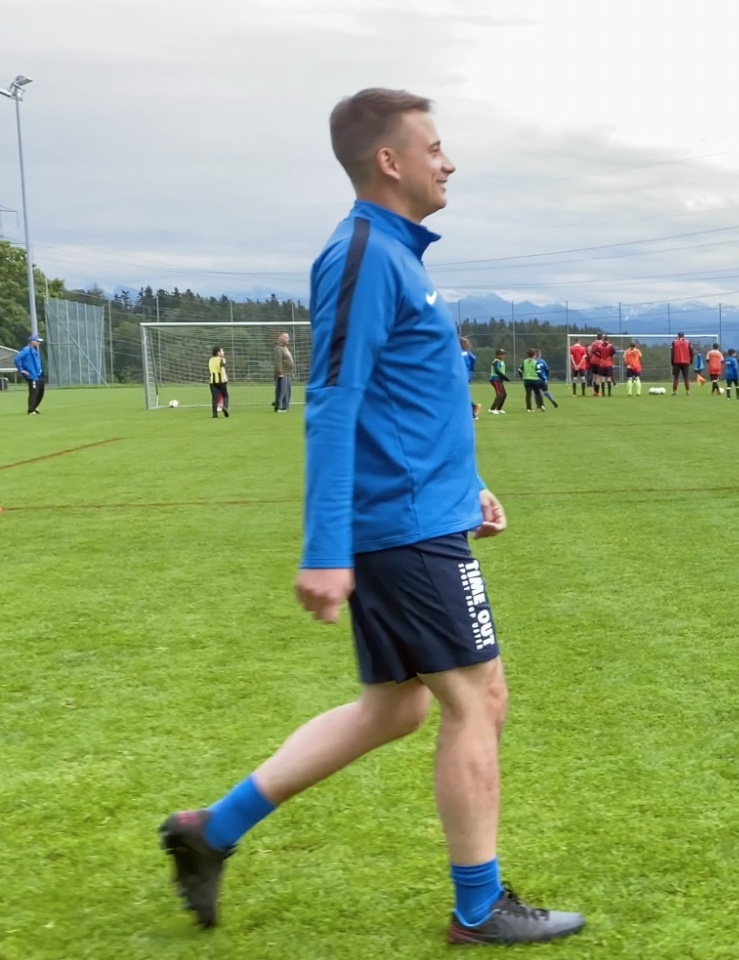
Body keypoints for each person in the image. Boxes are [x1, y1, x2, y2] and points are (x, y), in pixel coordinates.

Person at [156, 88, 583, 947]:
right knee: (478, 700)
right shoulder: (359, 253)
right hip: (402, 532)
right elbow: (334, 401)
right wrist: (325, 549)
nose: (448, 160)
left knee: (396, 709)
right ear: (389, 161)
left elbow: (407, 401)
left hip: (424, 514)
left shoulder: (397, 254)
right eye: (434, 147)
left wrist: (472, 485)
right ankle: (479, 907)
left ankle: (212, 831)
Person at [15, 333, 44, 415]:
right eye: (37, 341)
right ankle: (31, 410)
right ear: (32, 341)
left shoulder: (34, 350)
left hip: (38, 375)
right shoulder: (26, 350)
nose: (39, 343)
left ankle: (35, 407)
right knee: (34, 392)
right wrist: (21, 370)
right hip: (32, 375)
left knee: (41, 391)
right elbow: (17, 359)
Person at [272, 333, 295, 412]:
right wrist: (280, 372)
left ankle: (285, 406)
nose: (287, 340)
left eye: (288, 338)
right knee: (282, 390)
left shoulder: (285, 348)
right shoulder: (278, 348)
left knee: (288, 390)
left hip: (288, 372)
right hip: (282, 373)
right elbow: (278, 361)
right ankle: (279, 407)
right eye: (286, 338)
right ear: (281, 339)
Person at [461, 336, 480, 420]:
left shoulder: (465, 353)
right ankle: (473, 408)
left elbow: (472, 363)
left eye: (467, 342)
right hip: (462, 375)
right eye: (465, 342)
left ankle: (472, 413)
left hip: (463, 376)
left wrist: (469, 373)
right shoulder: (463, 353)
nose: (467, 344)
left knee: (462, 394)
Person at [208, 346, 230, 418]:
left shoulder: (210, 360)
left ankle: (215, 414)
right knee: (225, 395)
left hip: (212, 381)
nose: (223, 352)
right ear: (218, 353)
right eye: (222, 351)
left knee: (215, 397)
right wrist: (225, 379)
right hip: (221, 381)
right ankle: (225, 407)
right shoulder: (222, 359)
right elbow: (222, 369)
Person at [488, 349, 509, 414]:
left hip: (499, 380)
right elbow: (496, 370)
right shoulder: (496, 361)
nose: (503, 355)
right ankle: (492, 409)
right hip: (495, 379)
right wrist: (504, 377)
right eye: (501, 354)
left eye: (503, 354)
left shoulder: (501, 361)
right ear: (497, 355)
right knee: (499, 394)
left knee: (504, 394)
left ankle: (499, 408)